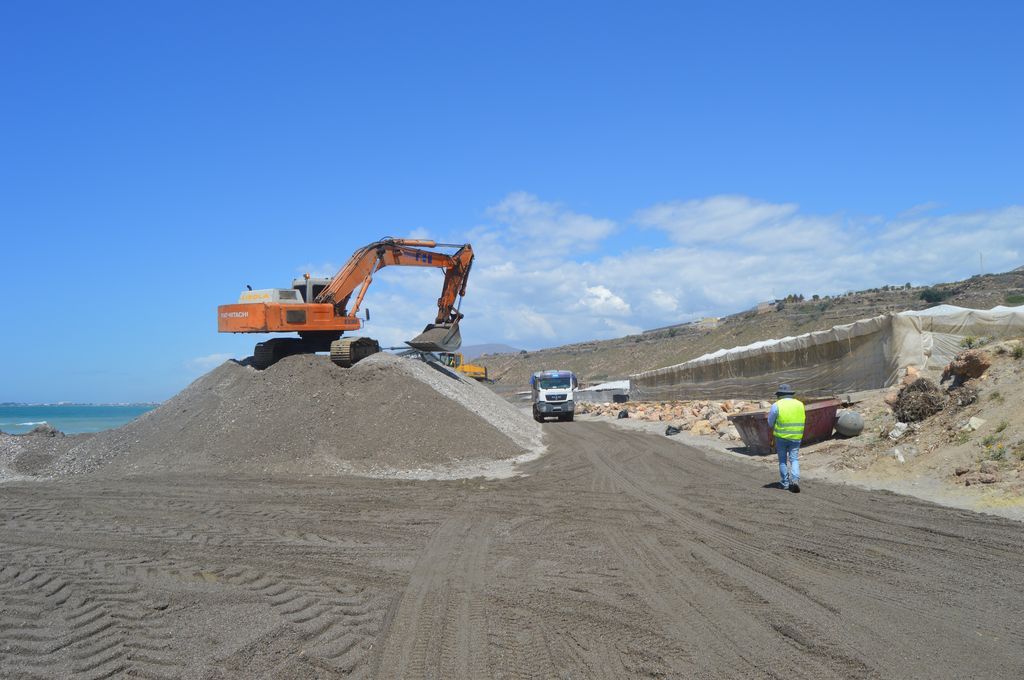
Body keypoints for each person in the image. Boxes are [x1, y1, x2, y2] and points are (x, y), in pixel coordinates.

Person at [767, 383, 805, 493]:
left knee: (782, 460)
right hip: (796, 436)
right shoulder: (800, 404)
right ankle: (795, 480)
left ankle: (785, 483)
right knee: (794, 459)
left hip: (781, 437)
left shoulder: (776, 405)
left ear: (779, 395)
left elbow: (770, 422)